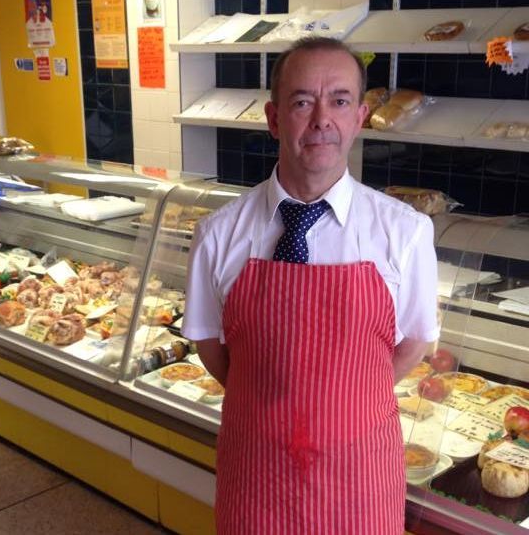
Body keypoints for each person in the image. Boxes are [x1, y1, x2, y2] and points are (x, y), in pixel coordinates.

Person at [181, 36, 439, 534]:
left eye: (339, 101)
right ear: (274, 118)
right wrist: (273, 399)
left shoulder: (405, 232)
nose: (323, 119)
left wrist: (342, 402)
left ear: (359, 117)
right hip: (256, 479)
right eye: (303, 101)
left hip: (359, 483)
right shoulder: (217, 233)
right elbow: (211, 348)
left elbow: (413, 345)